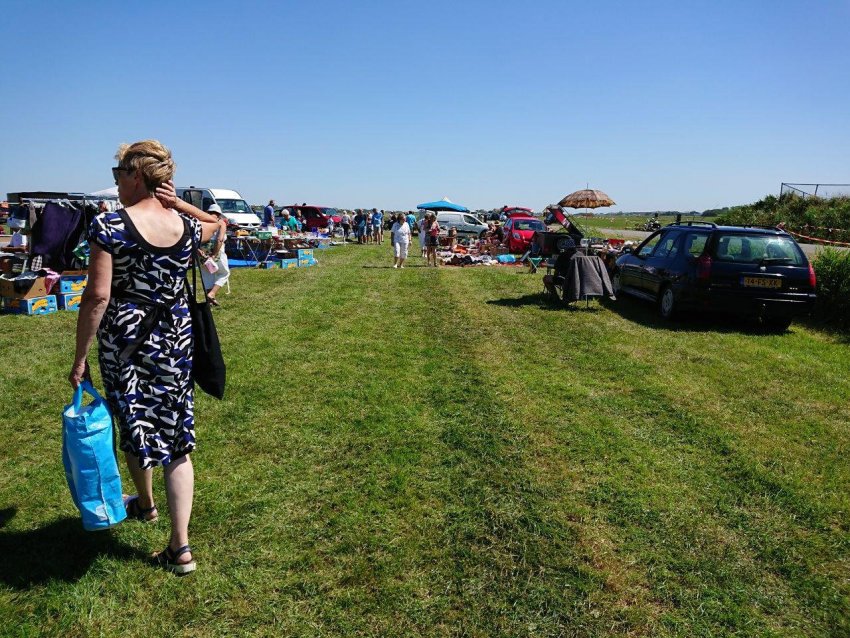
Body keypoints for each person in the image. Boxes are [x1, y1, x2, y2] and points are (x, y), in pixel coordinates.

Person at [68, 140, 221, 575]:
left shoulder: (110, 226)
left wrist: (80, 356)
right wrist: (183, 206)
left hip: (128, 343)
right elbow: (217, 224)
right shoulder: (184, 227)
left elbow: (97, 296)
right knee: (177, 440)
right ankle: (180, 546)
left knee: (131, 421)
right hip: (175, 341)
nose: (116, 182)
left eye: (119, 174)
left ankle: (149, 505)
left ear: (137, 175)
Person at [197, 204, 230, 306]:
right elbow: (220, 239)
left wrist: (198, 250)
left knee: (207, 275)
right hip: (217, 253)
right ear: (219, 214)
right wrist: (214, 255)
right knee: (224, 273)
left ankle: (209, 301)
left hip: (202, 253)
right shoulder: (220, 223)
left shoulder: (201, 222)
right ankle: (212, 294)